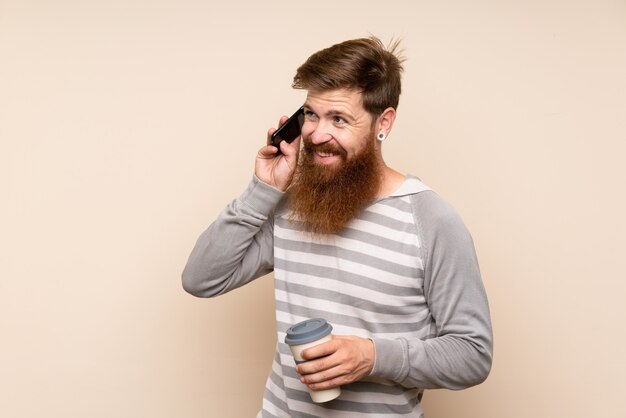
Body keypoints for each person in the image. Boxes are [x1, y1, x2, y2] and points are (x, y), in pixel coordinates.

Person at [182, 36, 493, 417]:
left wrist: (373, 356)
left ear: (384, 122)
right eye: (311, 114)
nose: (315, 134)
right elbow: (201, 279)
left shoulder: (431, 220)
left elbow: (473, 354)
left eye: (339, 119)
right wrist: (263, 189)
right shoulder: (294, 205)